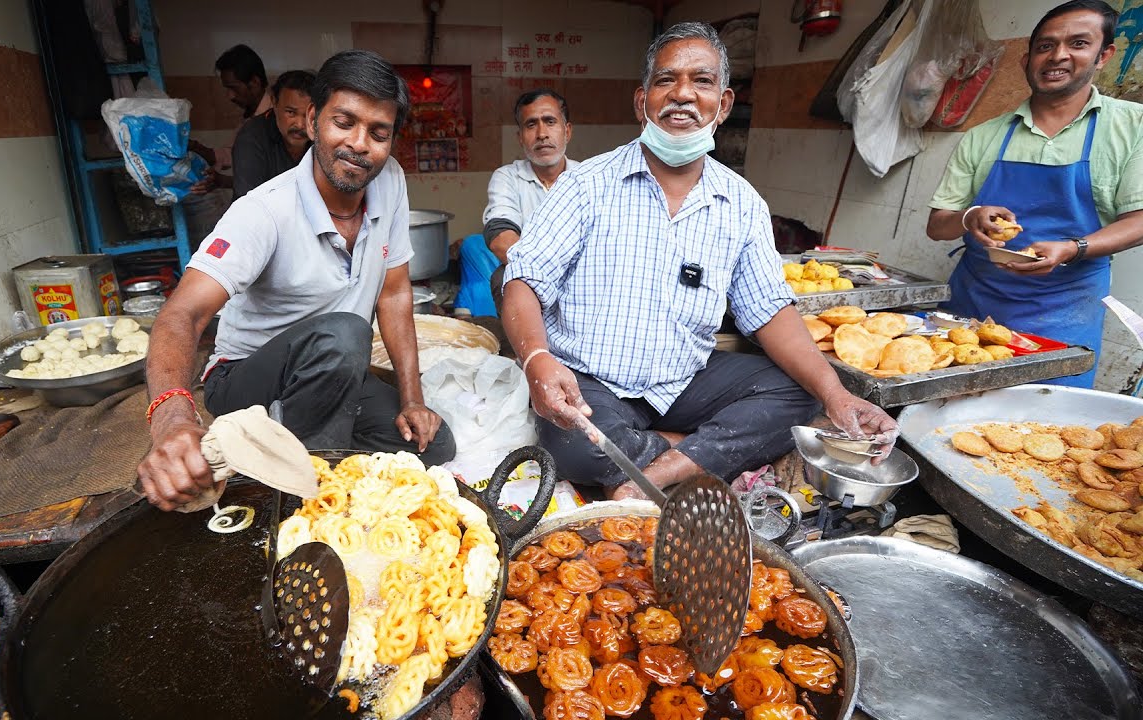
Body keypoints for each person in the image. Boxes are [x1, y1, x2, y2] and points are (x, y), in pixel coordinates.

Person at [501, 22, 897, 500]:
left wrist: (837, 396)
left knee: (802, 391)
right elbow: (523, 279)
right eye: (666, 80)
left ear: (723, 104)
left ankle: (658, 470)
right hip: (592, 379)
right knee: (576, 445)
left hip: (682, 380)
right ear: (641, 101)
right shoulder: (586, 185)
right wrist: (538, 360)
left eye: (702, 81)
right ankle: (698, 452)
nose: (683, 94)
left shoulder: (741, 202)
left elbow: (770, 310)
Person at [138, 49, 454, 512]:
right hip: (245, 378)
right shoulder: (264, 211)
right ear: (311, 121)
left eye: (378, 133)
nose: (360, 144)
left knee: (432, 447)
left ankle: (289, 447)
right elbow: (184, 313)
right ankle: (309, 501)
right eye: (344, 122)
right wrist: (171, 419)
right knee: (347, 332)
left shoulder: (390, 182)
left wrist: (413, 399)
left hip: (331, 368)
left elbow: (394, 291)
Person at [926, 0, 1143, 388]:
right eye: (1045, 45)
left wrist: (1073, 247)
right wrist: (968, 217)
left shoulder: (1133, 127)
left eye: (1078, 43)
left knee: (1041, 431)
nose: (1058, 55)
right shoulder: (984, 136)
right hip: (973, 308)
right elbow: (937, 225)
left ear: (1103, 55)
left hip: (1066, 314)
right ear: (1026, 58)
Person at [457, 90, 578, 317]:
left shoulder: (589, 177)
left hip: (582, 283)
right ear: (520, 137)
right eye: (531, 125)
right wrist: (547, 274)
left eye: (550, 122)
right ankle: (523, 351)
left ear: (567, 131)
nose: (542, 134)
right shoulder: (508, 177)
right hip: (531, 282)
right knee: (503, 276)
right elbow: (500, 238)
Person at [189, 44, 275, 193]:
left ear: (254, 83)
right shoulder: (251, 117)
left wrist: (223, 181)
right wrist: (195, 147)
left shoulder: (273, 119)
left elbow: (271, 178)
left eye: (233, 88)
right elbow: (229, 155)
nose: (230, 96)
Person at [232, 70, 316, 200]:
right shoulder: (252, 137)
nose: (300, 124)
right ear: (274, 103)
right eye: (291, 112)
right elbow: (249, 203)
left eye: (308, 115)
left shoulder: (323, 135)